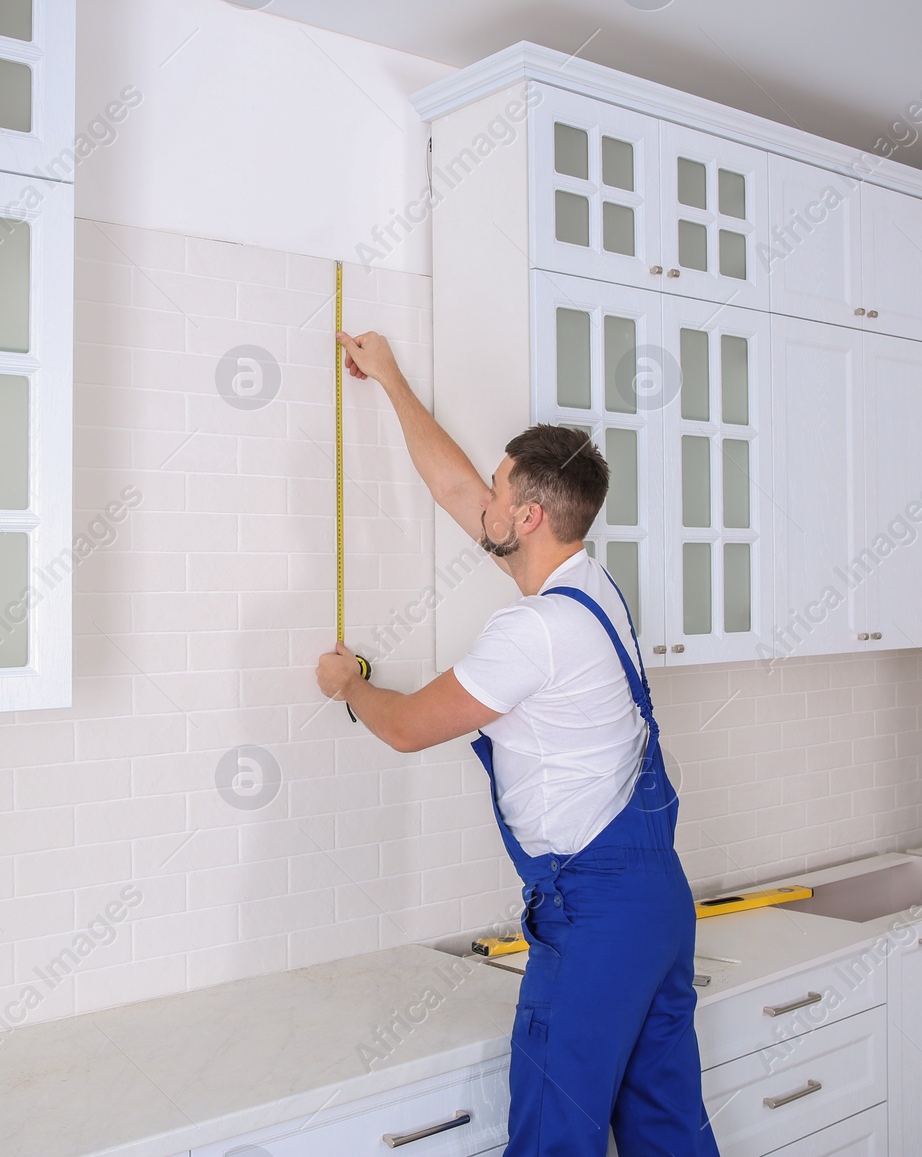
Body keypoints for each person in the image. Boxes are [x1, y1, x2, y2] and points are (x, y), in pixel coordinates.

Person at [315, 330, 722, 1157]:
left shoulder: (531, 632)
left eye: (501, 493)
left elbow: (403, 728)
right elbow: (456, 485)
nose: (486, 503)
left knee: (553, 1140)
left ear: (529, 514)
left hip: (596, 922)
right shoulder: (589, 585)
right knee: (667, 1133)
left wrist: (348, 684)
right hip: (659, 905)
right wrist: (389, 378)